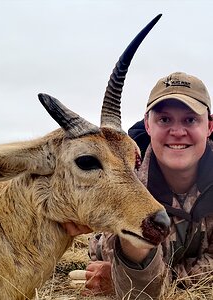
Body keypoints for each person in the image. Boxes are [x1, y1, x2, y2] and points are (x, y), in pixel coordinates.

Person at [63, 71, 213, 299]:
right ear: (148, 125)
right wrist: (129, 275)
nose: (177, 132)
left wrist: (120, 278)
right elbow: (141, 290)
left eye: (190, 119)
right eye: (164, 119)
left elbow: (131, 282)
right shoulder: (120, 186)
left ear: (209, 127)